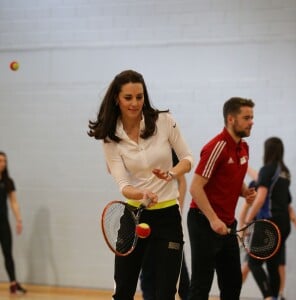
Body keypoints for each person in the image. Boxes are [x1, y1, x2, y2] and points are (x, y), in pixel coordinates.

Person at [88, 70, 193, 300]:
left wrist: (171, 172)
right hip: (133, 215)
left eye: (139, 96)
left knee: (165, 294)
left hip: (168, 217)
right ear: (117, 98)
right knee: (123, 292)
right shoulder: (110, 137)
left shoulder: (165, 121)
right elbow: (123, 184)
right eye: (128, 97)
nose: (135, 103)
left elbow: (187, 159)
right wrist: (140, 192)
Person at [187, 97, 256, 300]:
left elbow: (232, 179)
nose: (251, 121)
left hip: (228, 225)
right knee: (201, 286)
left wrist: (245, 192)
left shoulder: (244, 148)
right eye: (246, 117)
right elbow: (195, 188)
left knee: (233, 284)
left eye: (252, 117)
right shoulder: (216, 147)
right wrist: (213, 219)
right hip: (203, 222)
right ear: (231, 119)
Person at [244, 140, 296, 300]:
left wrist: (248, 220)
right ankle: (274, 296)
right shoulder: (285, 172)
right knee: (273, 265)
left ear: (267, 150)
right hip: (283, 225)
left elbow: (260, 197)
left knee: (254, 264)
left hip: (269, 223)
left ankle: (268, 297)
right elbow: (286, 201)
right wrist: (294, 219)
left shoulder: (267, 169)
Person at [140, 149, 190, 300]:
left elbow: (182, 181)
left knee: (179, 271)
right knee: (148, 269)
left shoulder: (167, 149)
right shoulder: (136, 151)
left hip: (168, 217)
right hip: (145, 218)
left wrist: (178, 208)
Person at [0, 151, 27, 294]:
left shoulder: (7, 182)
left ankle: (13, 283)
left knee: (8, 253)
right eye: (0, 161)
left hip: (3, 223)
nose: (2, 164)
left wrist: (19, 220)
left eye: (4, 161)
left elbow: (13, 202)